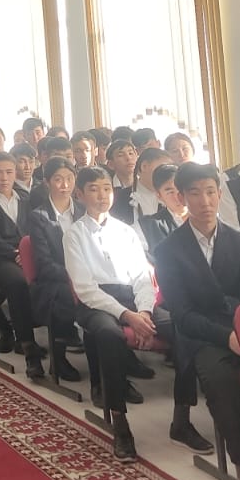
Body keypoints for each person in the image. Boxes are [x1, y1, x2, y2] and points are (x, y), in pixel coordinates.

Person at [154, 163, 240, 480]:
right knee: (219, 379)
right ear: (181, 197)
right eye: (195, 193)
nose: (204, 201)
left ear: (219, 194)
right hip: (200, 334)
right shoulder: (168, 250)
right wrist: (225, 335)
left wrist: (238, 329)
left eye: (210, 192)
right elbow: (183, 314)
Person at [65, 166, 161, 461]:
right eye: (93, 189)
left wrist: (144, 312)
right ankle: (120, 423)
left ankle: (182, 417)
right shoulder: (74, 234)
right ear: (80, 194)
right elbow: (85, 288)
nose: (102, 195)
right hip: (96, 303)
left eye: (106, 188)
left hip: (132, 299)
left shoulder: (125, 231)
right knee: (109, 335)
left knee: (180, 326)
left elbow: (143, 278)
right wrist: (127, 316)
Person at [0, 152, 47, 379]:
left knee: (53, 278)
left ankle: (60, 341)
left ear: (15, 173)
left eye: (8, 172)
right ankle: (28, 348)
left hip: (28, 256)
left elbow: (36, 230)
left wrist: (28, 253)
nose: (4, 177)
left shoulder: (25, 199)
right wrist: (15, 253)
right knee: (18, 283)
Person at [23, 156, 84, 381]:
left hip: (87, 276)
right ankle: (58, 359)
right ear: (47, 182)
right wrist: (75, 277)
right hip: (54, 280)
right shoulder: (39, 217)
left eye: (69, 178)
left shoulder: (84, 210)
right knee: (63, 295)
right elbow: (44, 264)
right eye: (58, 179)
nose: (65, 185)